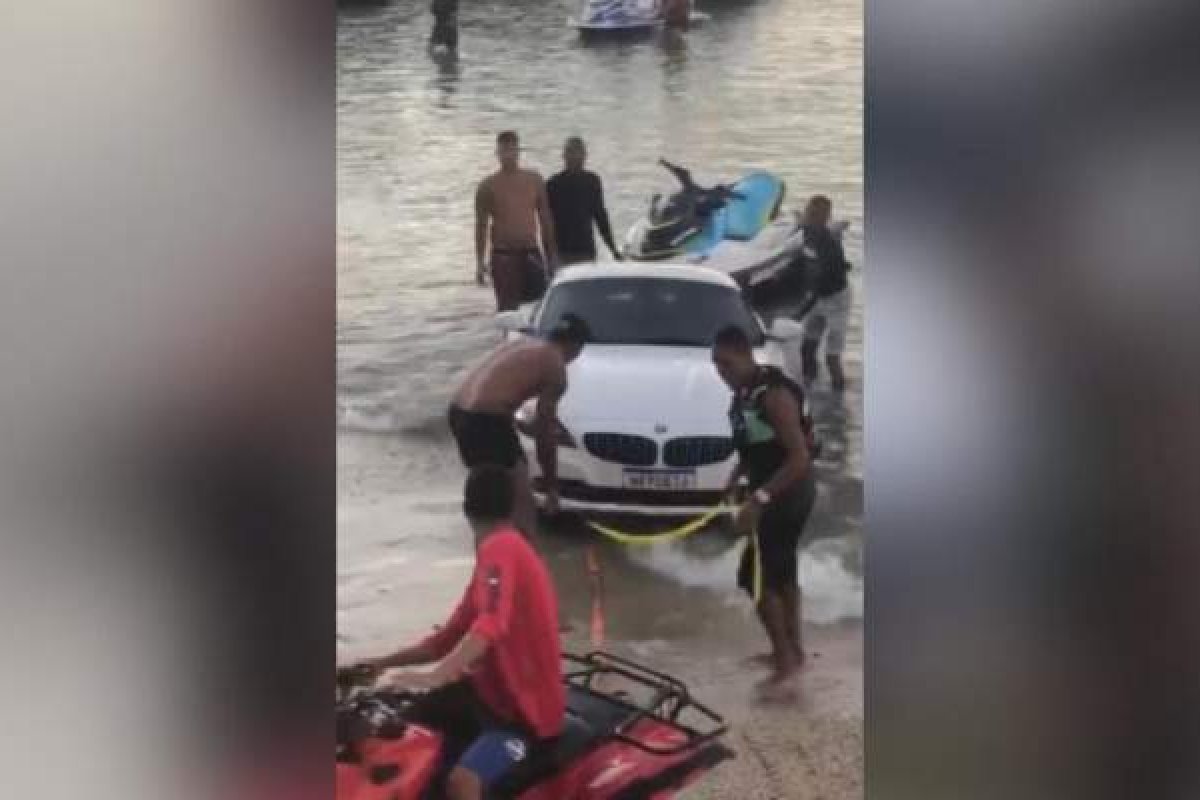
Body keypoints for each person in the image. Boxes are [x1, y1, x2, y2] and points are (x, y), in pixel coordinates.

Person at [354, 465, 565, 800]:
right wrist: (379, 664)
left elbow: (491, 626)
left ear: (466, 509)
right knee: (388, 724)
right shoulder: (491, 562)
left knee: (462, 783)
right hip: (485, 697)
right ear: (512, 506)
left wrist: (437, 675)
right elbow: (445, 639)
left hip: (525, 718)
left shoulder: (503, 546)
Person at [712, 325, 817, 699]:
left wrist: (759, 500)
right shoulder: (745, 392)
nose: (721, 372)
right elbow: (754, 446)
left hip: (789, 491)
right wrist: (736, 477)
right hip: (773, 488)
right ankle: (792, 652)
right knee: (782, 570)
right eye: (716, 365)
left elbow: (799, 457)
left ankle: (785, 663)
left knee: (755, 579)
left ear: (746, 356)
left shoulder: (773, 396)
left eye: (726, 363)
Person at [447, 313, 590, 534]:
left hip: (458, 413)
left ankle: (489, 558)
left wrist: (516, 425)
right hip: (486, 421)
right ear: (576, 347)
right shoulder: (555, 367)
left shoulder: (524, 344)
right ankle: (521, 558)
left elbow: (495, 392)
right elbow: (545, 433)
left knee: (489, 500)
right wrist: (552, 488)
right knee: (521, 503)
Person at [475, 131, 559, 312]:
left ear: (518, 151)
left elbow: (545, 219)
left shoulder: (534, 180)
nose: (508, 155)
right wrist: (480, 263)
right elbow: (481, 227)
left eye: (512, 150)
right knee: (507, 311)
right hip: (503, 255)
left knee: (539, 308)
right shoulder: (488, 185)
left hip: (531, 252)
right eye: (504, 150)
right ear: (497, 153)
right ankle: (509, 339)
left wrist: (551, 256)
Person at [797, 195, 852, 391]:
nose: (809, 217)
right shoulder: (809, 232)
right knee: (807, 348)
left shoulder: (827, 243)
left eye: (814, 214)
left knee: (832, 358)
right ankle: (808, 388)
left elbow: (823, 276)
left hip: (836, 300)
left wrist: (800, 311)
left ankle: (838, 406)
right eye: (809, 212)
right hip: (818, 297)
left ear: (825, 217)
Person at [546, 137, 623, 266]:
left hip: (586, 250)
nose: (575, 157)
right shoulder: (553, 184)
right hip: (561, 252)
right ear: (564, 156)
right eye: (570, 153)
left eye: (578, 153)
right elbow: (546, 221)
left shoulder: (592, 181)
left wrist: (613, 249)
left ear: (585, 156)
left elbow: (601, 217)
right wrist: (550, 252)